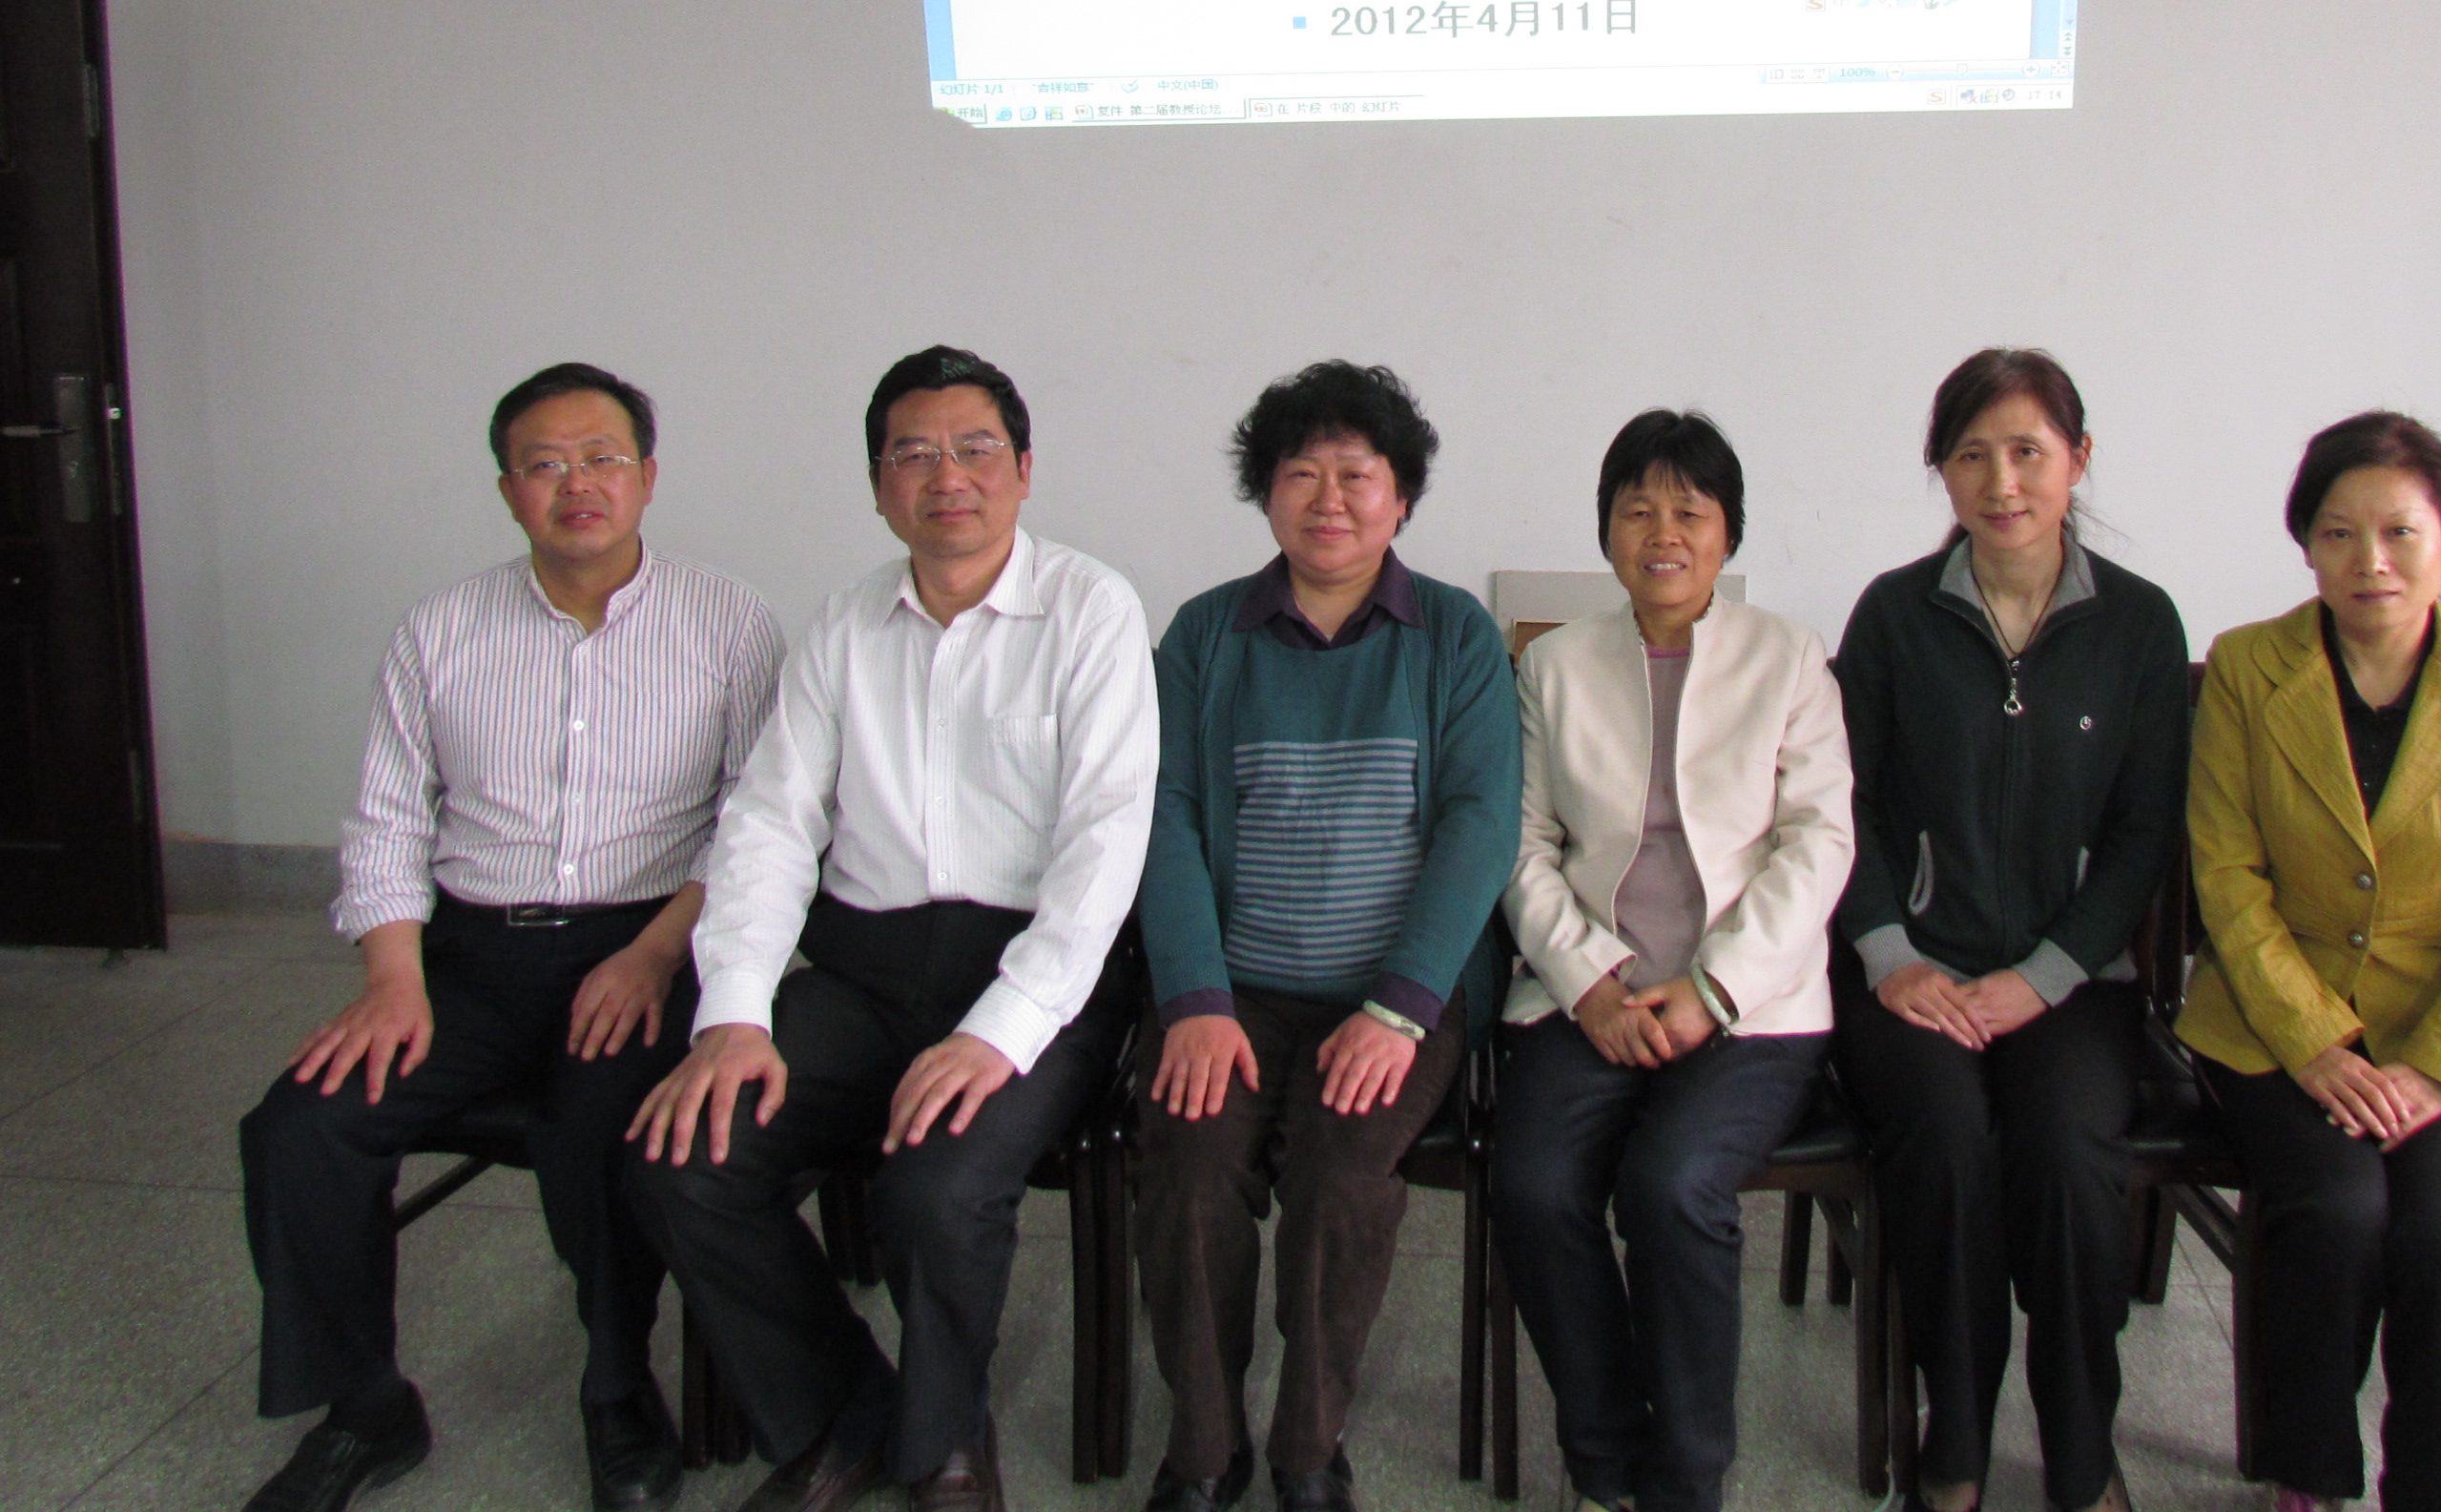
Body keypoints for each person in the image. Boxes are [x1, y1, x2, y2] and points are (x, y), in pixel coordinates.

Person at [236, 362, 784, 1512]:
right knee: (301, 1127)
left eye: (603, 459)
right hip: (469, 960)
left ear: (647, 477)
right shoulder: (438, 631)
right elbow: (387, 820)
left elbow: (757, 822)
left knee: (601, 1130)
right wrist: (394, 977)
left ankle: (617, 1385)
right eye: (545, 465)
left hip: (646, 946)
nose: (577, 484)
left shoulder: (730, 622)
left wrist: (654, 955)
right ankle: (365, 1404)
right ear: (507, 490)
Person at [624, 347, 1157, 1512]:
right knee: (683, 1157)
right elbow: (769, 825)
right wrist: (733, 1016)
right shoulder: (842, 626)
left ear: (1023, 470)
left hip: (1035, 975)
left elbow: (1107, 842)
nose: (945, 476)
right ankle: (846, 1415)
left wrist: (999, 1031)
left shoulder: (1092, 609)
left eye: (974, 450)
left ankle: (943, 1444)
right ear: (878, 487)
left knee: (936, 1187)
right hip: (863, 969)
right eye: (913, 454)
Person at [1134, 361, 1520, 1512]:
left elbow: (1481, 825)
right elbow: (1161, 817)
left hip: (1398, 995)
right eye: (1302, 474)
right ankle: (1205, 1451)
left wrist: (1399, 1007)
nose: (1331, 500)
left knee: (1342, 1174)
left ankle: (1308, 1448)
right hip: (1234, 990)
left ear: (1402, 496)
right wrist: (1194, 999)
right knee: (1187, 1163)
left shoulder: (1454, 636)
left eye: (1359, 475)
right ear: (1266, 493)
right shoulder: (1206, 636)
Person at [2176, 411, 2441, 1512]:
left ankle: (2438, 1485)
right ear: (2306, 544)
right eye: (2340, 533)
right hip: (2273, 1022)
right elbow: (2227, 878)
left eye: (2401, 531)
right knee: (2336, 1211)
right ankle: (2305, 1472)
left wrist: (2440, 1064)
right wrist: (2313, 1044)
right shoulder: (2251, 669)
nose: (2372, 561)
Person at [1831, 349, 2189, 1512]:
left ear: (2078, 461)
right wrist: (1890, 956)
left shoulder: (2140, 624)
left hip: (2072, 983)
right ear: (1940, 471)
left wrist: (2043, 976)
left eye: (2029, 451)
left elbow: (2144, 834)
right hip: (1913, 974)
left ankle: (2081, 1441)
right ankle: (1957, 1430)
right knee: (1942, 1145)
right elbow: (1842, 807)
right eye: (1972, 455)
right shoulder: (1894, 615)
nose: (2002, 482)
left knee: (2069, 1159)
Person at [1491, 409, 1854, 1512]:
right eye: (1636, 509)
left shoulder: (1789, 658)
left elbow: (1820, 843)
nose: (1663, 533)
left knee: (1673, 1184)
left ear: (1727, 531)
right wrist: (1590, 982)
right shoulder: (1552, 664)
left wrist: (1713, 989)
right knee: (1533, 1184)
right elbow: (1521, 848)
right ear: (1605, 529)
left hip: (1750, 1005)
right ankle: (1608, 1460)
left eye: (1689, 512)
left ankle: (1689, 1480)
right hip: (1588, 995)